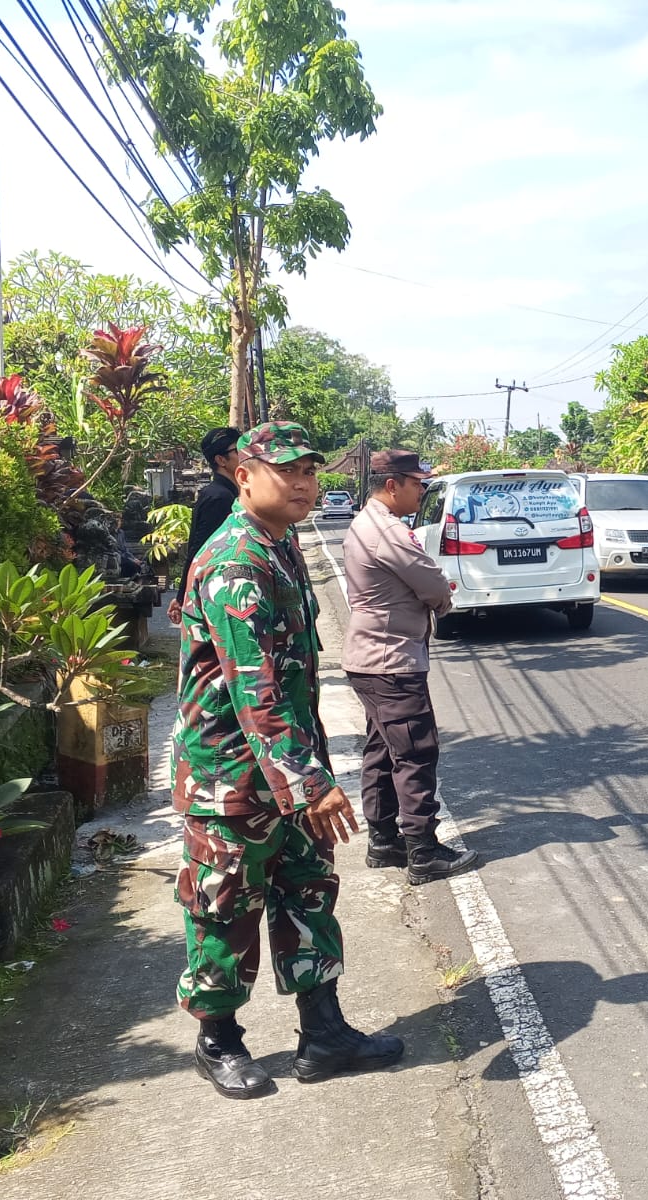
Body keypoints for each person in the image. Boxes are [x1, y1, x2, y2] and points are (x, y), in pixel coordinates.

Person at [171, 420, 403, 1099]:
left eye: (310, 471)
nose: (304, 483)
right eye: (287, 471)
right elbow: (256, 690)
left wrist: (306, 779)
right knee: (225, 908)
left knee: (308, 892)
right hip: (231, 779)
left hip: (290, 771)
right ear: (243, 476)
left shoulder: (280, 545)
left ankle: (323, 1032)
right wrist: (310, 785)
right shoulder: (236, 561)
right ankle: (218, 1041)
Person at [342, 448, 480, 885]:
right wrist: (442, 602)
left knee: (383, 749)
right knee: (415, 753)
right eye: (418, 483)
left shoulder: (366, 524)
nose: (423, 491)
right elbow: (432, 583)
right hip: (392, 661)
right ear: (392, 485)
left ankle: (384, 840)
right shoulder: (388, 530)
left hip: (372, 658)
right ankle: (422, 851)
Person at [166, 426, 242, 625]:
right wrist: (182, 597)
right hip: (220, 593)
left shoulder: (227, 493)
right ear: (221, 460)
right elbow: (200, 550)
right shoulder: (219, 498)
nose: (245, 454)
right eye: (238, 450)